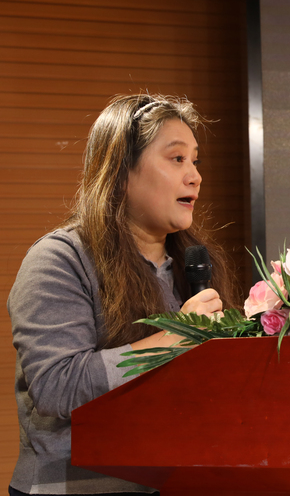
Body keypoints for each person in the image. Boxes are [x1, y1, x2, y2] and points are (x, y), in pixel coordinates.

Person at [7, 94, 239, 495]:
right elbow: (57, 386)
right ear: (121, 171)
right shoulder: (59, 259)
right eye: (177, 159)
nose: (195, 176)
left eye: (195, 161)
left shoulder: (195, 265)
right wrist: (179, 336)